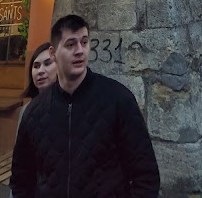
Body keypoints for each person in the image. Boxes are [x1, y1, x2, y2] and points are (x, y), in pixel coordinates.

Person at [10, 14, 160, 198]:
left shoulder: (118, 99)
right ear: (53, 52)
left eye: (84, 42)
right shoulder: (34, 112)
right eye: (71, 44)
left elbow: (146, 174)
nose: (80, 50)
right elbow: (21, 180)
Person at [10, 43, 57, 198]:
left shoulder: (72, 107)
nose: (41, 71)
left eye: (47, 64)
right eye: (36, 66)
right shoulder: (27, 111)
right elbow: (20, 166)